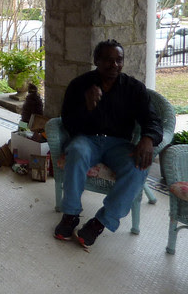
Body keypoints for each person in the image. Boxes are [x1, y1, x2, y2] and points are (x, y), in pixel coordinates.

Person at [53, 39, 163, 248]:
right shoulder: (79, 85)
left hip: (119, 144)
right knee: (76, 152)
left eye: (119, 60)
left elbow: (152, 120)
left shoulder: (134, 88)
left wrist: (148, 139)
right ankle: (71, 215)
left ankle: (101, 222)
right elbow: (68, 123)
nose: (114, 65)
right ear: (96, 60)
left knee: (138, 167)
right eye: (108, 60)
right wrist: (86, 107)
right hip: (86, 139)